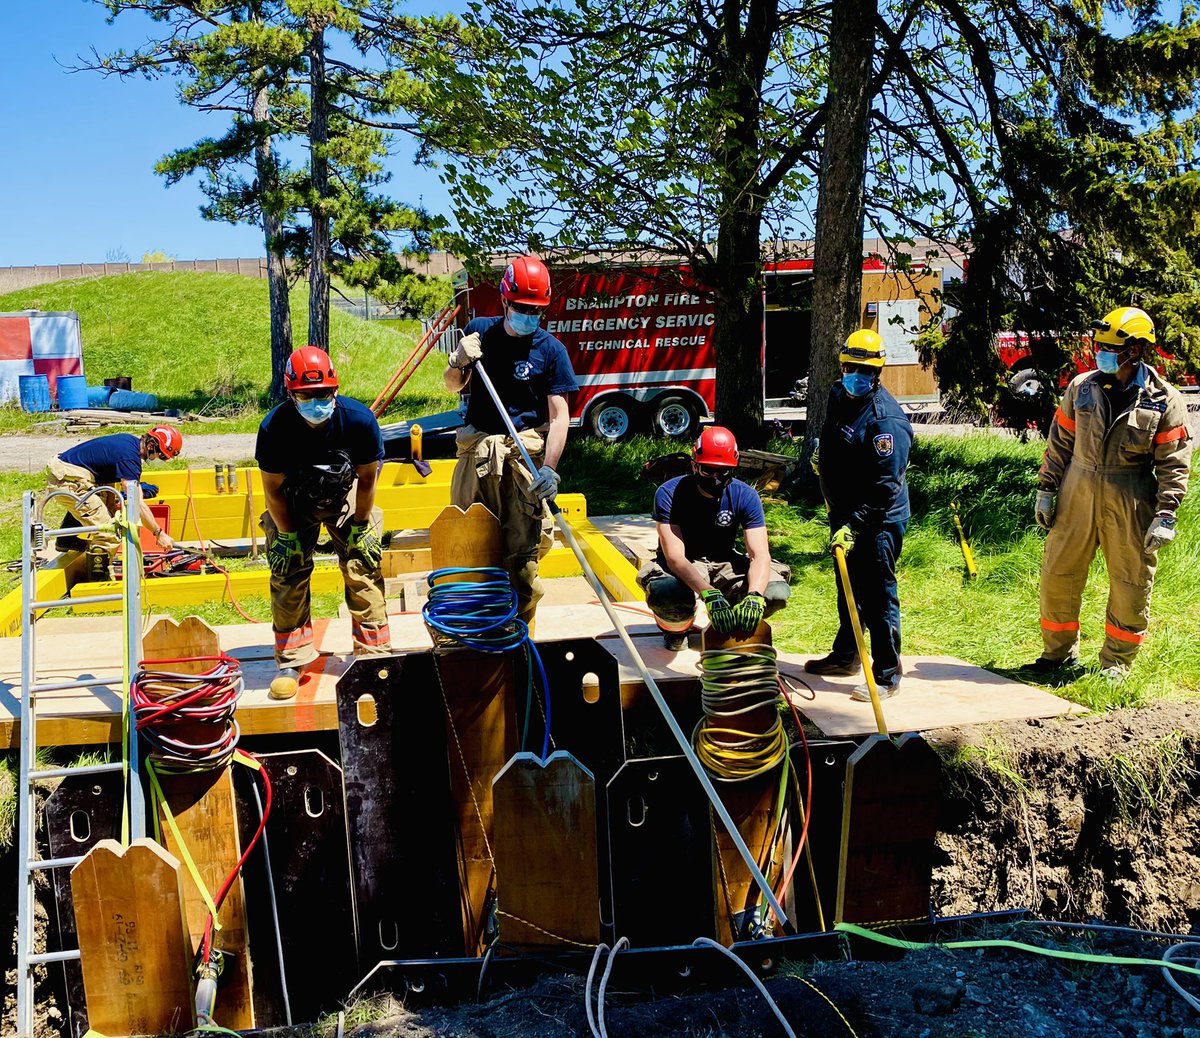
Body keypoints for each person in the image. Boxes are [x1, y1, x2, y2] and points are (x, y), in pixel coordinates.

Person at [1027, 306, 1192, 684]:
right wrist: (1047, 489)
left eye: (1107, 346)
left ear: (1134, 350)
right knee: (1058, 573)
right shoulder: (1081, 387)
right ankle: (1056, 655)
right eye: (1097, 343)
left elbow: (1174, 463)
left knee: (1130, 582)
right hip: (1077, 491)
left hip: (1130, 496)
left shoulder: (1164, 400)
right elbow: (1060, 441)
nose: (1098, 351)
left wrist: (1166, 514)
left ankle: (1116, 663)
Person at [443, 255, 579, 626]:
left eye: (536, 310)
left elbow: (559, 415)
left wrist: (549, 469)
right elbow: (453, 385)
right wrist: (458, 361)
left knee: (523, 555)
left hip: (524, 461)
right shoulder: (480, 333)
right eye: (521, 308)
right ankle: (475, 630)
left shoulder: (551, 350)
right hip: (478, 456)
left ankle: (519, 634)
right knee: (471, 544)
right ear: (504, 301)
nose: (529, 316)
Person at [257, 345, 391, 700]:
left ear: (336, 389)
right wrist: (286, 536)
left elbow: (367, 478)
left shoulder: (359, 420)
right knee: (287, 568)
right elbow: (272, 489)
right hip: (293, 498)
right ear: (291, 393)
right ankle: (291, 658)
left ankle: (372, 656)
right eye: (306, 395)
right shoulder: (274, 427)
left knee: (363, 563)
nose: (316, 401)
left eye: (324, 394)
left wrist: (361, 526)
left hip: (347, 493)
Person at [806, 329, 913, 700]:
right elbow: (834, 435)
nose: (856, 376)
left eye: (864, 371)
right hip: (844, 512)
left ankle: (887, 675)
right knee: (847, 588)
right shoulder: (839, 394)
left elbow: (886, 488)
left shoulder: (887, 423)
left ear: (877, 373)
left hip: (878, 519)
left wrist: (853, 525)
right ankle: (847, 655)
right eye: (850, 367)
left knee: (877, 594)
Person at [638, 426, 791, 650]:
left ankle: (735, 621)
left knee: (775, 592)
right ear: (694, 465)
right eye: (708, 470)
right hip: (686, 562)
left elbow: (760, 555)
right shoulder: (670, 493)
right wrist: (709, 594)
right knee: (666, 593)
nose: (716, 478)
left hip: (725, 560)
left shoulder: (745, 495)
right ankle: (678, 626)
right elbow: (675, 557)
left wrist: (755, 596)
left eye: (724, 471)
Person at [46, 426, 182, 574]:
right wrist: (158, 533)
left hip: (73, 470)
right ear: (151, 446)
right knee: (109, 533)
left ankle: (66, 539)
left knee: (105, 507)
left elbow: (132, 488)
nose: (162, 461)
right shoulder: (130, 458)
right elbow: (137, 502)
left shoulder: (130, 443)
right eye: (162, 457)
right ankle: (97, 581)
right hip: (68, 478)